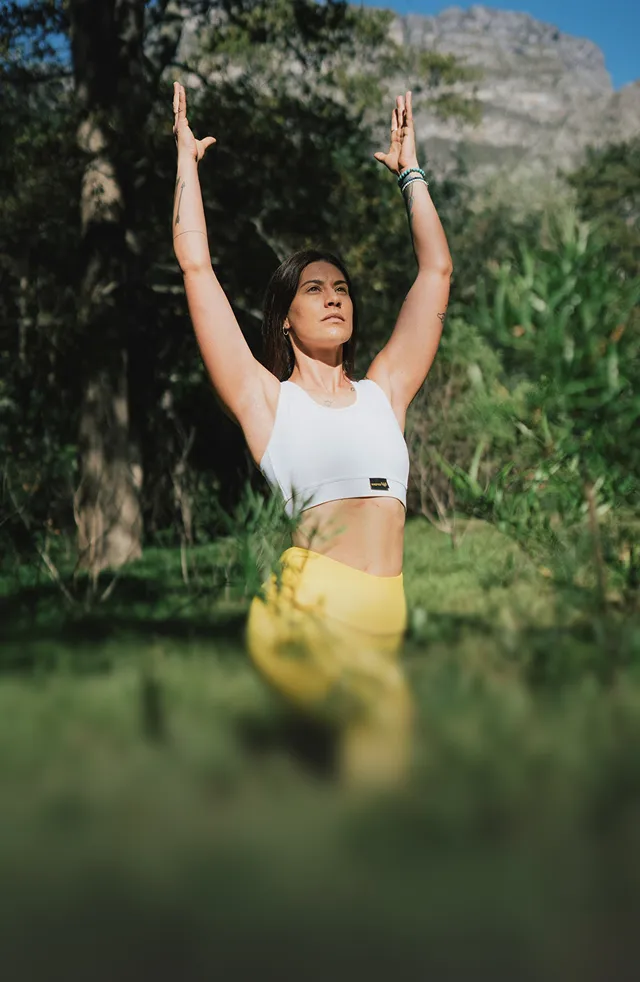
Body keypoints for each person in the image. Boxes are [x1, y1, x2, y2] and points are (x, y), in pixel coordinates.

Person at [172, 81, 452, 787]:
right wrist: (185, 163)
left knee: (352, 791)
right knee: (380, 775)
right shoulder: (266, 401)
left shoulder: (385, 391)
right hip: (309, 610)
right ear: (285, 319)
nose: (333, 297)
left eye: (343, 289)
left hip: (384, 612)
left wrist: (410, 173)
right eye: (314, 290)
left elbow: (435, 270)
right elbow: (197, 267)